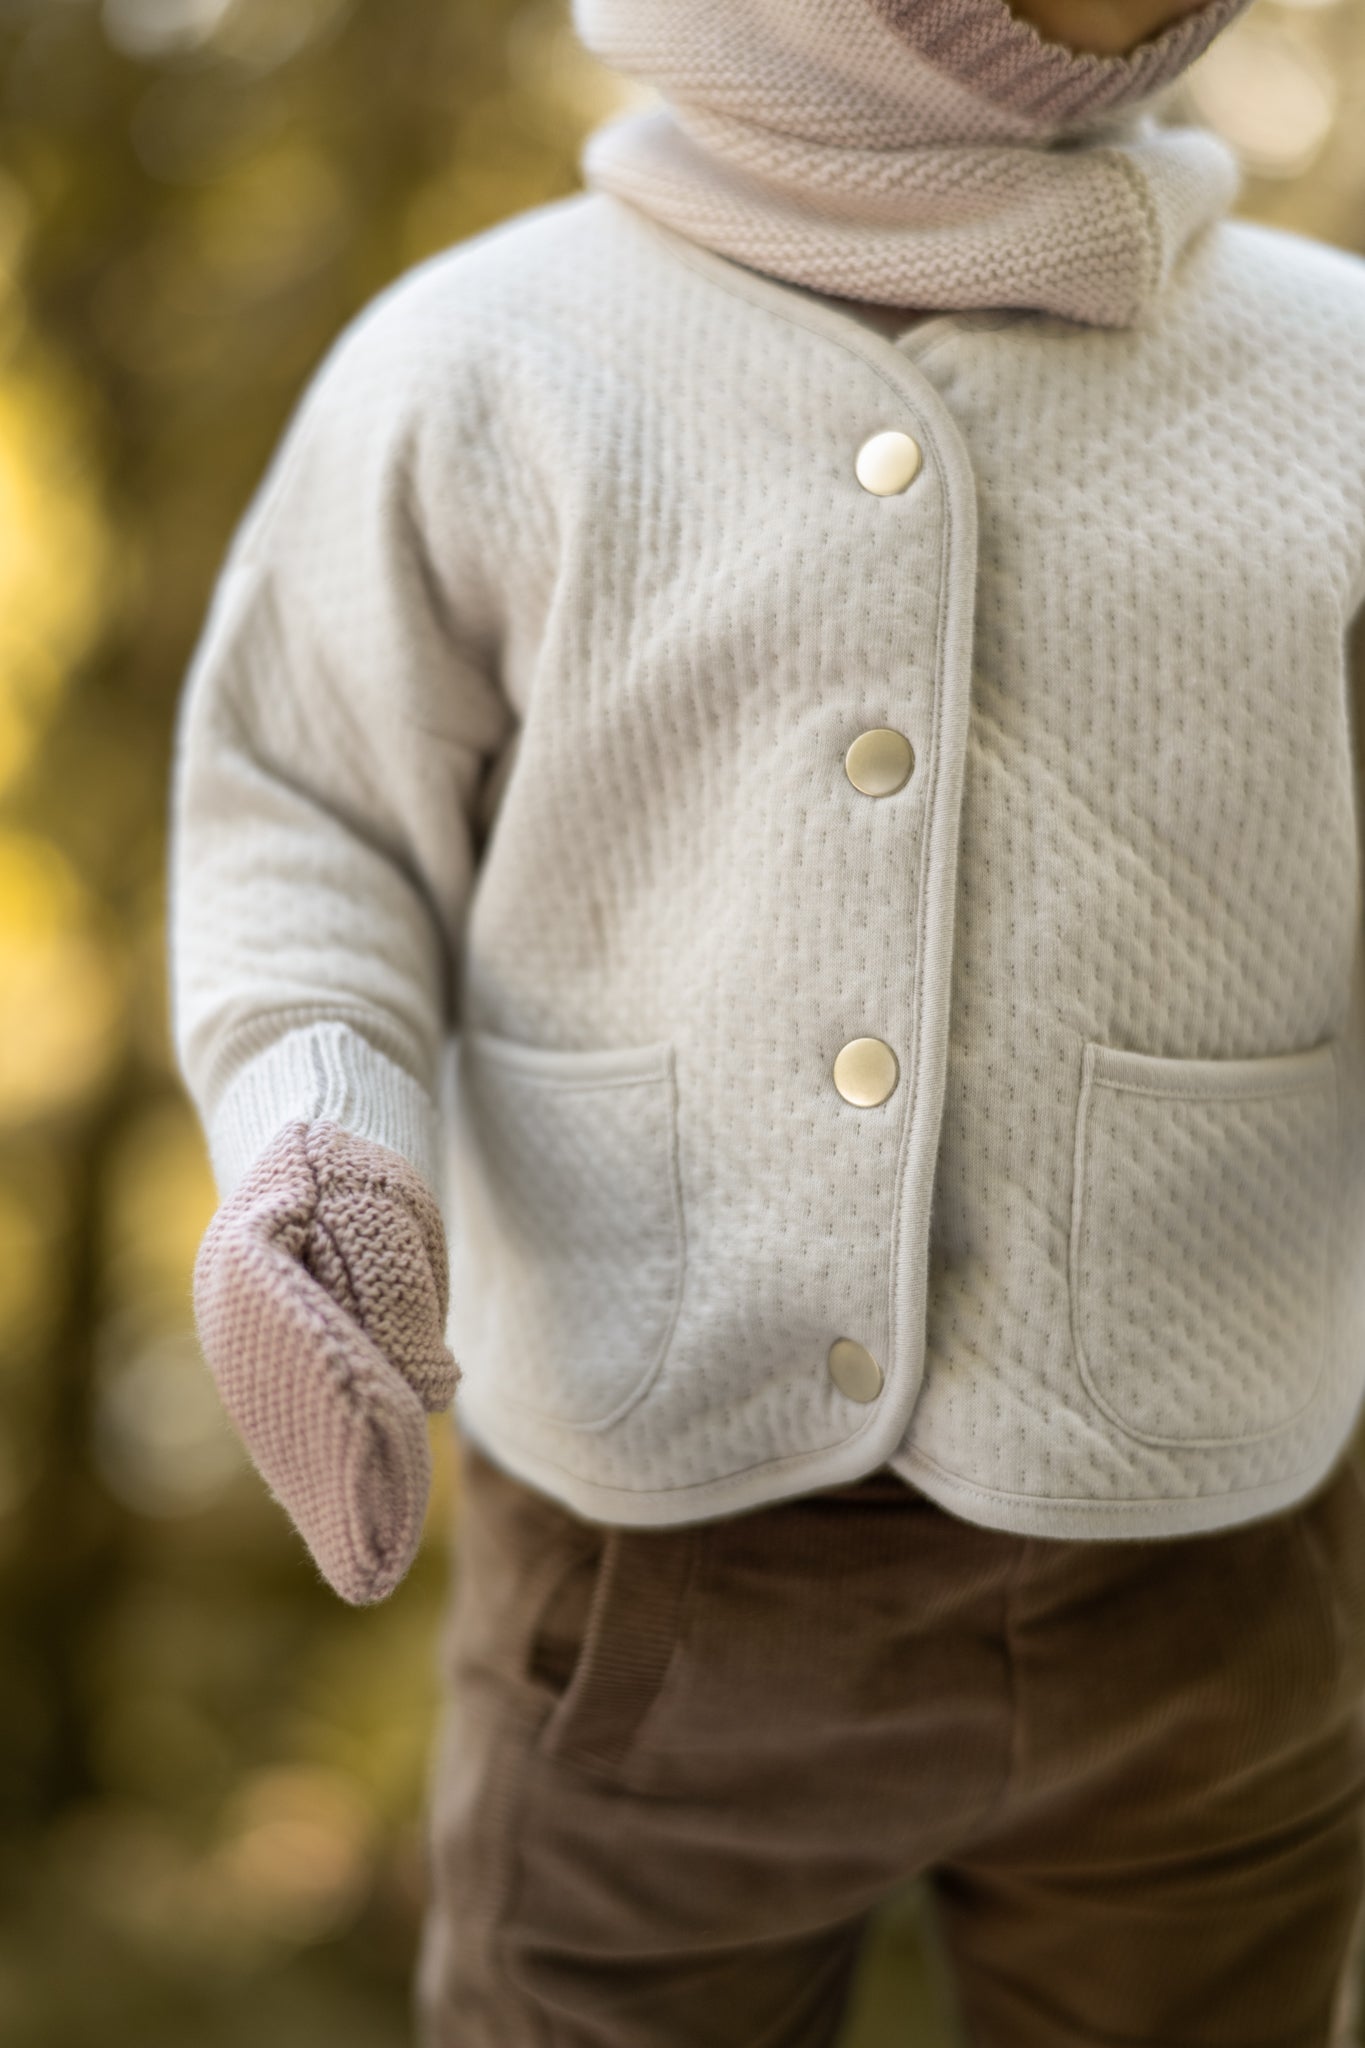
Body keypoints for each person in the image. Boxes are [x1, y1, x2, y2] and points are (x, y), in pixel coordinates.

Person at [167, 0, 1365, 2039]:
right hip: (650, 1541)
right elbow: (310, 811)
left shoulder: (1329, 376)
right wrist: (320, 1139)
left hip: (1211, 1547)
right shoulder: (483, 361)